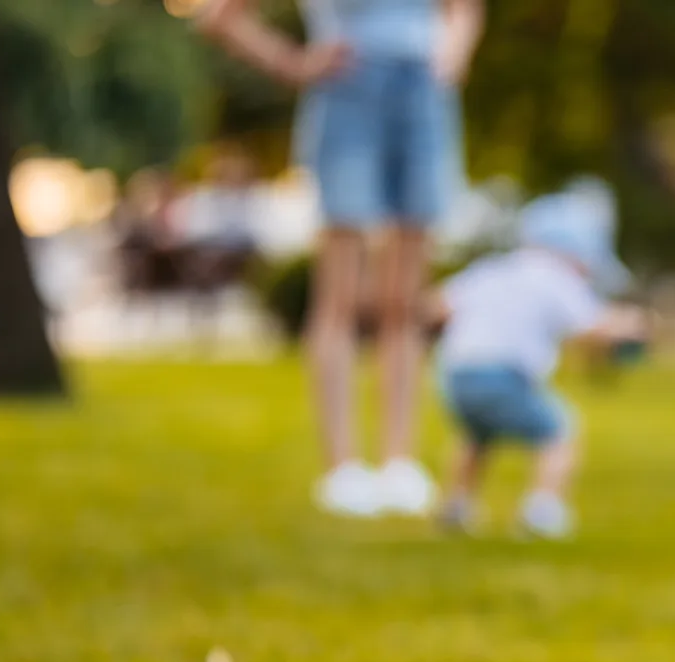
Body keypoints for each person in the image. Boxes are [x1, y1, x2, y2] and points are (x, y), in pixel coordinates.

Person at [197, 0, 485, 518]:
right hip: (349, 91)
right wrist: (292, 64)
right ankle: (343, 468)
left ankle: (399, 464)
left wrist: (451, 59)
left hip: (424, 95)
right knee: (341, 299)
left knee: (403, 300)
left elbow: (463, 9)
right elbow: (220, 16)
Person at [430, 191, 637, 539]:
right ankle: (543, 511)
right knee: (559, 431)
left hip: (455, 374)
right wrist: (629, 326)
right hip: (504, 375)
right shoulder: (556, 276)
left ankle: (456, 506)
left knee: (476, 435)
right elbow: (592, 326)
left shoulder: (493, 269)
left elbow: (437, 305)